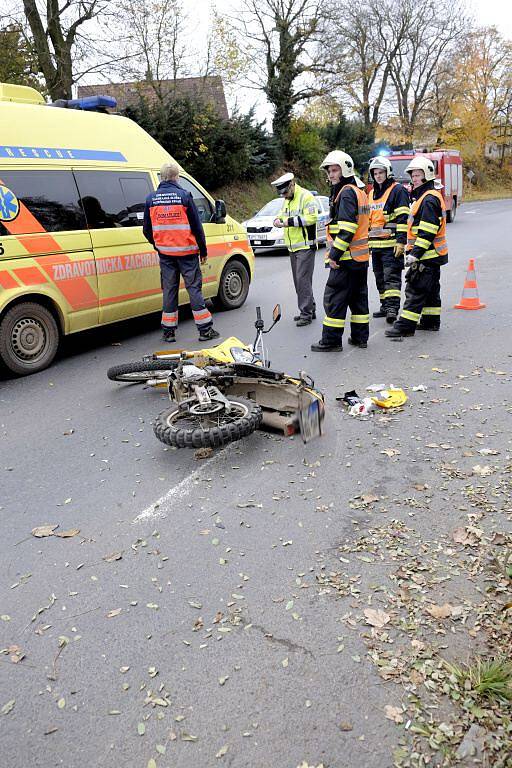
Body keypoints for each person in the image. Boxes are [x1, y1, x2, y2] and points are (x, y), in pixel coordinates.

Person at [143, 161, 220, 343]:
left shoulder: (151, 199)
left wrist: (158, 245)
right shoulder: (185, 196)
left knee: (169, 290)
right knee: (194, 289)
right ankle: (204, 330)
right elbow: (197, 227)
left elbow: (147, 230)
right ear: (177, 177)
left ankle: (168, 332)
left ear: (161, 178)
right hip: (187, 254)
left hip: (166, 255)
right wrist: (203, 250)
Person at [311, 150, 370, 352]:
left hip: (345, 259)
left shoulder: (345, 193)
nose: (331, 175)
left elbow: (347, 229)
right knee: (358, 300)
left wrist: (334, 256)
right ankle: (360, 337)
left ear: (345, 170)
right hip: (360, 258)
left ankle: (331, 341)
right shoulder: (359, 192)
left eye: (335, 170)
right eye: (329, 171)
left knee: (335, 299)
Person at [385, 156, 448, 340]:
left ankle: (405, 326)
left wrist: (414, 254)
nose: (414, 179)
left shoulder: (428, 199)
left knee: (415, 289)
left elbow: (427, 231)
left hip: (426, 255)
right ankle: (431, 321)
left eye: (418, 175)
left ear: (427, 176)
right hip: (434, 254)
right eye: (412, 175)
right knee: (430, 290)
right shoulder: (426, 196)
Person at [271, 172, 319, 326]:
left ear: (292, 184)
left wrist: (286, 222)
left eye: (285, 192)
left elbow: (311, 218)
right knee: (299, 282)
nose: (284, 195)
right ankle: (310, 308)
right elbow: (281, 215)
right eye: (281, 193)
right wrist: (277, 220)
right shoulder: (287, 200)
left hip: (306, 245)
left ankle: (306, 314)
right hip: (293, 247)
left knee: (302, 280)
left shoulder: (306, 197)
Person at [367, 156, 410, 324]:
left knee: (391, 278)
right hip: (375, 245)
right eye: (375, 173)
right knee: (379, 278)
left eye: (381, 172)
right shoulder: (371, 194)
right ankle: (385, 305)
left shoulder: (397, 190)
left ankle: (392, 309)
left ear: (388, 172)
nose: (378, 176)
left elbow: (402, 219)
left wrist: (401, 241)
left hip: (392, 245)